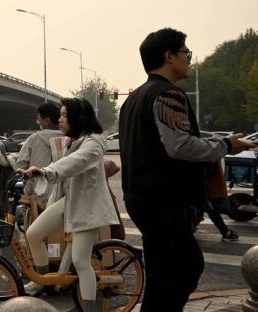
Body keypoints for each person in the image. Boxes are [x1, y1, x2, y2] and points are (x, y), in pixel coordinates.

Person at [119, 28, 256, 310]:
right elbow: (180, 146)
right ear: (169, 56)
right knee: (183, 269)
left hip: (141, 200)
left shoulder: (133, 98)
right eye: (186, 53)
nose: (189, 60)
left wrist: (221, 141)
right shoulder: (168, 94)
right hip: (164, 202)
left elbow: (165, 141)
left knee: (164, 275)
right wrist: (225, 147)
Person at [21, 98, 120, 311]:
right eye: (61, 115)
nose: (60, 119)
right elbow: (64, 165)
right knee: (33, 233)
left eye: (65, 115)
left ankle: (90, 309)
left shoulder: (94, 143)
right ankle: (42, 280)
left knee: (81, 261)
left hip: (88, 208)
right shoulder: (72, 139)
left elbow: (75, 162)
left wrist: (45, 171)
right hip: (68, 202)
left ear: (79, 118)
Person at [15, 103, 64, 195]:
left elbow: (20, 165)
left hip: (37, 195)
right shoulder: (69, 139)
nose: (38, 123)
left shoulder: (34, 138)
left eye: (39, 120)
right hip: (61, 194)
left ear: (47, 120)